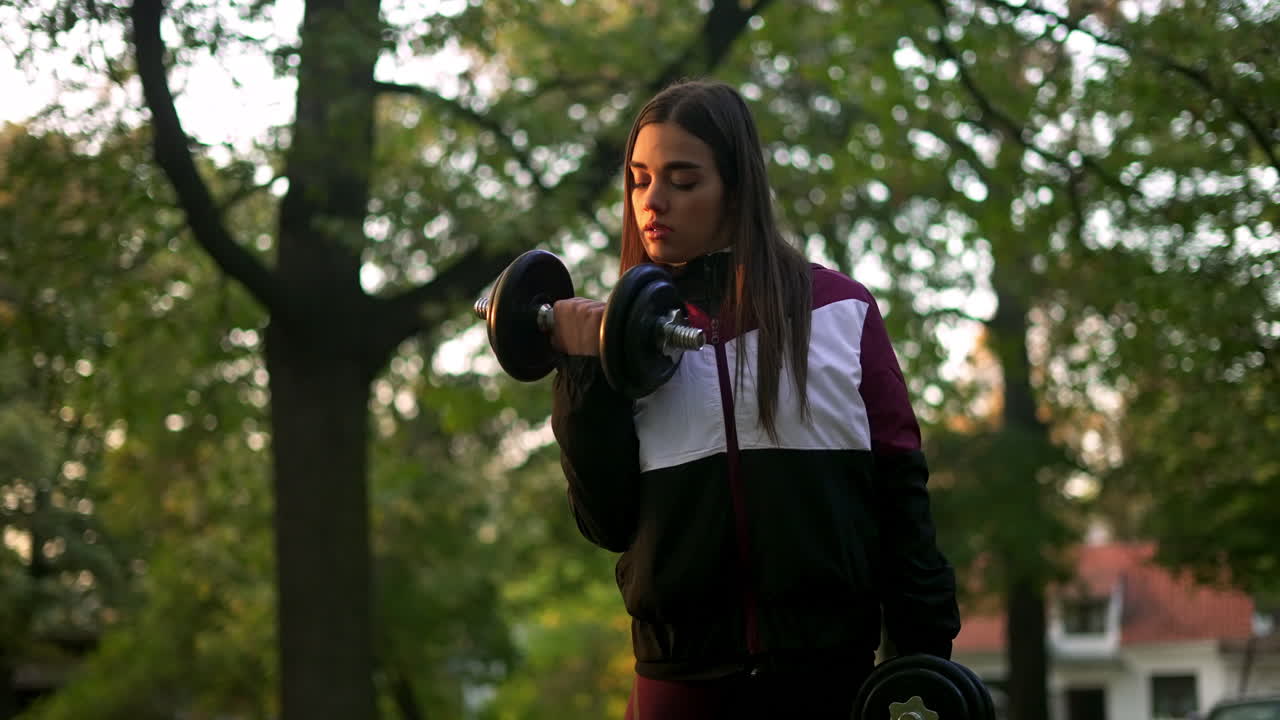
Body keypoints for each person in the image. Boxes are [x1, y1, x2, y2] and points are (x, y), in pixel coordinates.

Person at [547, 79, 960, 719]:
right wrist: (581, 376)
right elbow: (606, 523)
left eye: (682, 181)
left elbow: (902, 498)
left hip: (830, 680)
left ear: (735, 190)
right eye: (639, 179)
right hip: (679, 687)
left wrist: (924, 660)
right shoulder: (616, 344)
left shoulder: (840, 313)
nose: (652, 202)